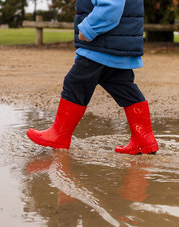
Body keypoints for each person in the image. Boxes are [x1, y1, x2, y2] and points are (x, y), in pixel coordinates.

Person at [27, 0, 159, 155]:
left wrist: (89, 28)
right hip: (116, 43)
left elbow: (112, 6)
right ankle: (144, 139)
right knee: (122, 85)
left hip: (102, 43)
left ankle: (59, 134)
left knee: (75, 82)